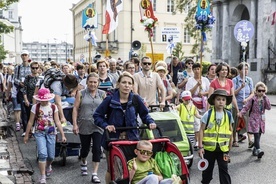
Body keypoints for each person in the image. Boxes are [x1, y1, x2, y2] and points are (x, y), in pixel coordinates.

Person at [93, 71, 157, 184]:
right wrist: (106, 125)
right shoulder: (110, 99)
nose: (127, 85)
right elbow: (97, 116)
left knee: (131, 166)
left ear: (132, 86)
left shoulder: (136, 100)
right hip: (113, 139)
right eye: (124, 82)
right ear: (118, 84)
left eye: (129, 83)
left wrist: (150, 122)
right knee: (113, 168)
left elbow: (145, 114)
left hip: (131, 138)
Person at [24, 88, 66, 184]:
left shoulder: (53, 107)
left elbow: (57, 121)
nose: (44, 102)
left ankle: (48, 166)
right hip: (39, 132)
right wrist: (27, 134)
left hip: (51, 133)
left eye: (45, 100)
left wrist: (62, 135)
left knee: (51, 156)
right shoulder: (35, 107)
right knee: (42, 154)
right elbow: (30, 121)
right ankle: (43, 176)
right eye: (42, 100)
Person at [72, 73, 105, 183]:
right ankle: (84, 161)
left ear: (98, 83)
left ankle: (94, 173)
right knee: (85, 149)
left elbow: (106, 110)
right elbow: (75, 109)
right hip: (84, 124)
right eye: (91, 82)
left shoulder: (102, 94)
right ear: (87, 82)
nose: (93, 84)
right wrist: (75, 124)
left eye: (95, 82)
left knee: (96, 149)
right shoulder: (81, 94)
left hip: (98, 126)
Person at [198, 89, 234, 184]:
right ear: (214, 101)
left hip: (223, 149)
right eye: (218, 99)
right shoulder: (208, 114)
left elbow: (230, 131)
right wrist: (200, 147)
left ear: (226, 102)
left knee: (224, 170)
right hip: (209, 149)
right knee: (207, 170)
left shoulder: (229, 115)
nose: (221, 101)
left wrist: (229, 148)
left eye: (223, 99)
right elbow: (201, 130)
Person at [238, 82, 271, 158]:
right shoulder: (253, 99)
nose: (261, 92)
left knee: (259, 135)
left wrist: (265, 97)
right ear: (256, 91)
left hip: (261, 119)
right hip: (253, 119)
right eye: (259, 90)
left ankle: (254, 150)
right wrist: (241, 113)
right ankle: (259, 150)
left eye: (263, 91)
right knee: (256, 134)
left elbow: (269, 107)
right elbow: (246, 107)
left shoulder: (264, 99)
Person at [186, 63, 210, 149]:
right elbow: (188, 93)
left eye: (198, 69)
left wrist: (203, 93)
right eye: (195, 69)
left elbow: (209, 91)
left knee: (204, 121)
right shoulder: (190, 80)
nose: (197, 71)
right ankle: (196, 140)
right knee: (196, 122)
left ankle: (203, 139)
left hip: (204, 102)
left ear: (201, 69)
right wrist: (197, 85)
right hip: (194, 102)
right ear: (193, 70)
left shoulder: (205, 80)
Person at [232, 63, 254, 147]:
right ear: (239, 70)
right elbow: (233, 93)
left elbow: (252, 93)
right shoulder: (235, 80)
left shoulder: (249, 80)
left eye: (247, 69)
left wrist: (247, 99)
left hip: (246, 105)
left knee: (248, 123)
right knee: (235, 123)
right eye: (244, 69)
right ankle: (234, 140)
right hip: (237, 105)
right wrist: (241, 87)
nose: (246, 71)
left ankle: (250, 141)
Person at [14, 50, 32, 136]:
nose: (24, 57)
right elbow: (15, 79)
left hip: (30, 92)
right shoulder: (18, 67)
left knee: (31, 110)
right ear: (21, 57)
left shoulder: (31, 67)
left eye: (26, 55)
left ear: (28, 56)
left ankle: (31, 129)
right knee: (23, 110)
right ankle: (25, 130)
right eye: (23, 55)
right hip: (21, 91)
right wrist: (19, 83)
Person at [21, 61, 40, 136]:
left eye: (36, 68)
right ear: (30, 68)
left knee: (38, 116)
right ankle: (27, 131)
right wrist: (25, 99)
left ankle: (36, 130)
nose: (35, 69)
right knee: (27, 116)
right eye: (33, 68)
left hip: (38, 100)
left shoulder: (41, 78)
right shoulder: (28, 77)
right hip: (29, 99)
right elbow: (24, 89)